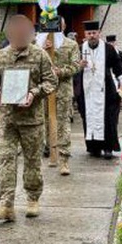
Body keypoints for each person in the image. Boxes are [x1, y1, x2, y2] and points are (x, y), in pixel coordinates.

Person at [0, 14, 57, 221]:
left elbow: (51, 81)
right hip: (7, 120)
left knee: (32, 161)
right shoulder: (0, 56)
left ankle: (33, 199)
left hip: (31, 120)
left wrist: (34, 93)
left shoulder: (40, 55)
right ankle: (6, 205)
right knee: (6, 159)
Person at [76, 21, 122, 158]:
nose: (92, 36)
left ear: (99, 33)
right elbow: (73, 67)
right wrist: (78, 66)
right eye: (89, 33)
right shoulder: (80, 49)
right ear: (85, 35)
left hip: (105, 90)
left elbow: (118, 67)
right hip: (87, 91)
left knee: (108, 120)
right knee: (89, 118)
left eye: (94, 33)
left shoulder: (108, 49)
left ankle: (108, 148)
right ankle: (94, 148)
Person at [41, 17, 80, 175]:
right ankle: (51, 153)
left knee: (63, 124)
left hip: (63, 90)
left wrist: (60, 72)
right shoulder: (40, 44)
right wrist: (42, 50)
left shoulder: (70, 45)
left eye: (56, 25)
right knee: (45, 122)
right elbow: (32, 63)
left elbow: (76, 66)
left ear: (63, 26)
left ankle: (64, 160)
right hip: (45, 90)